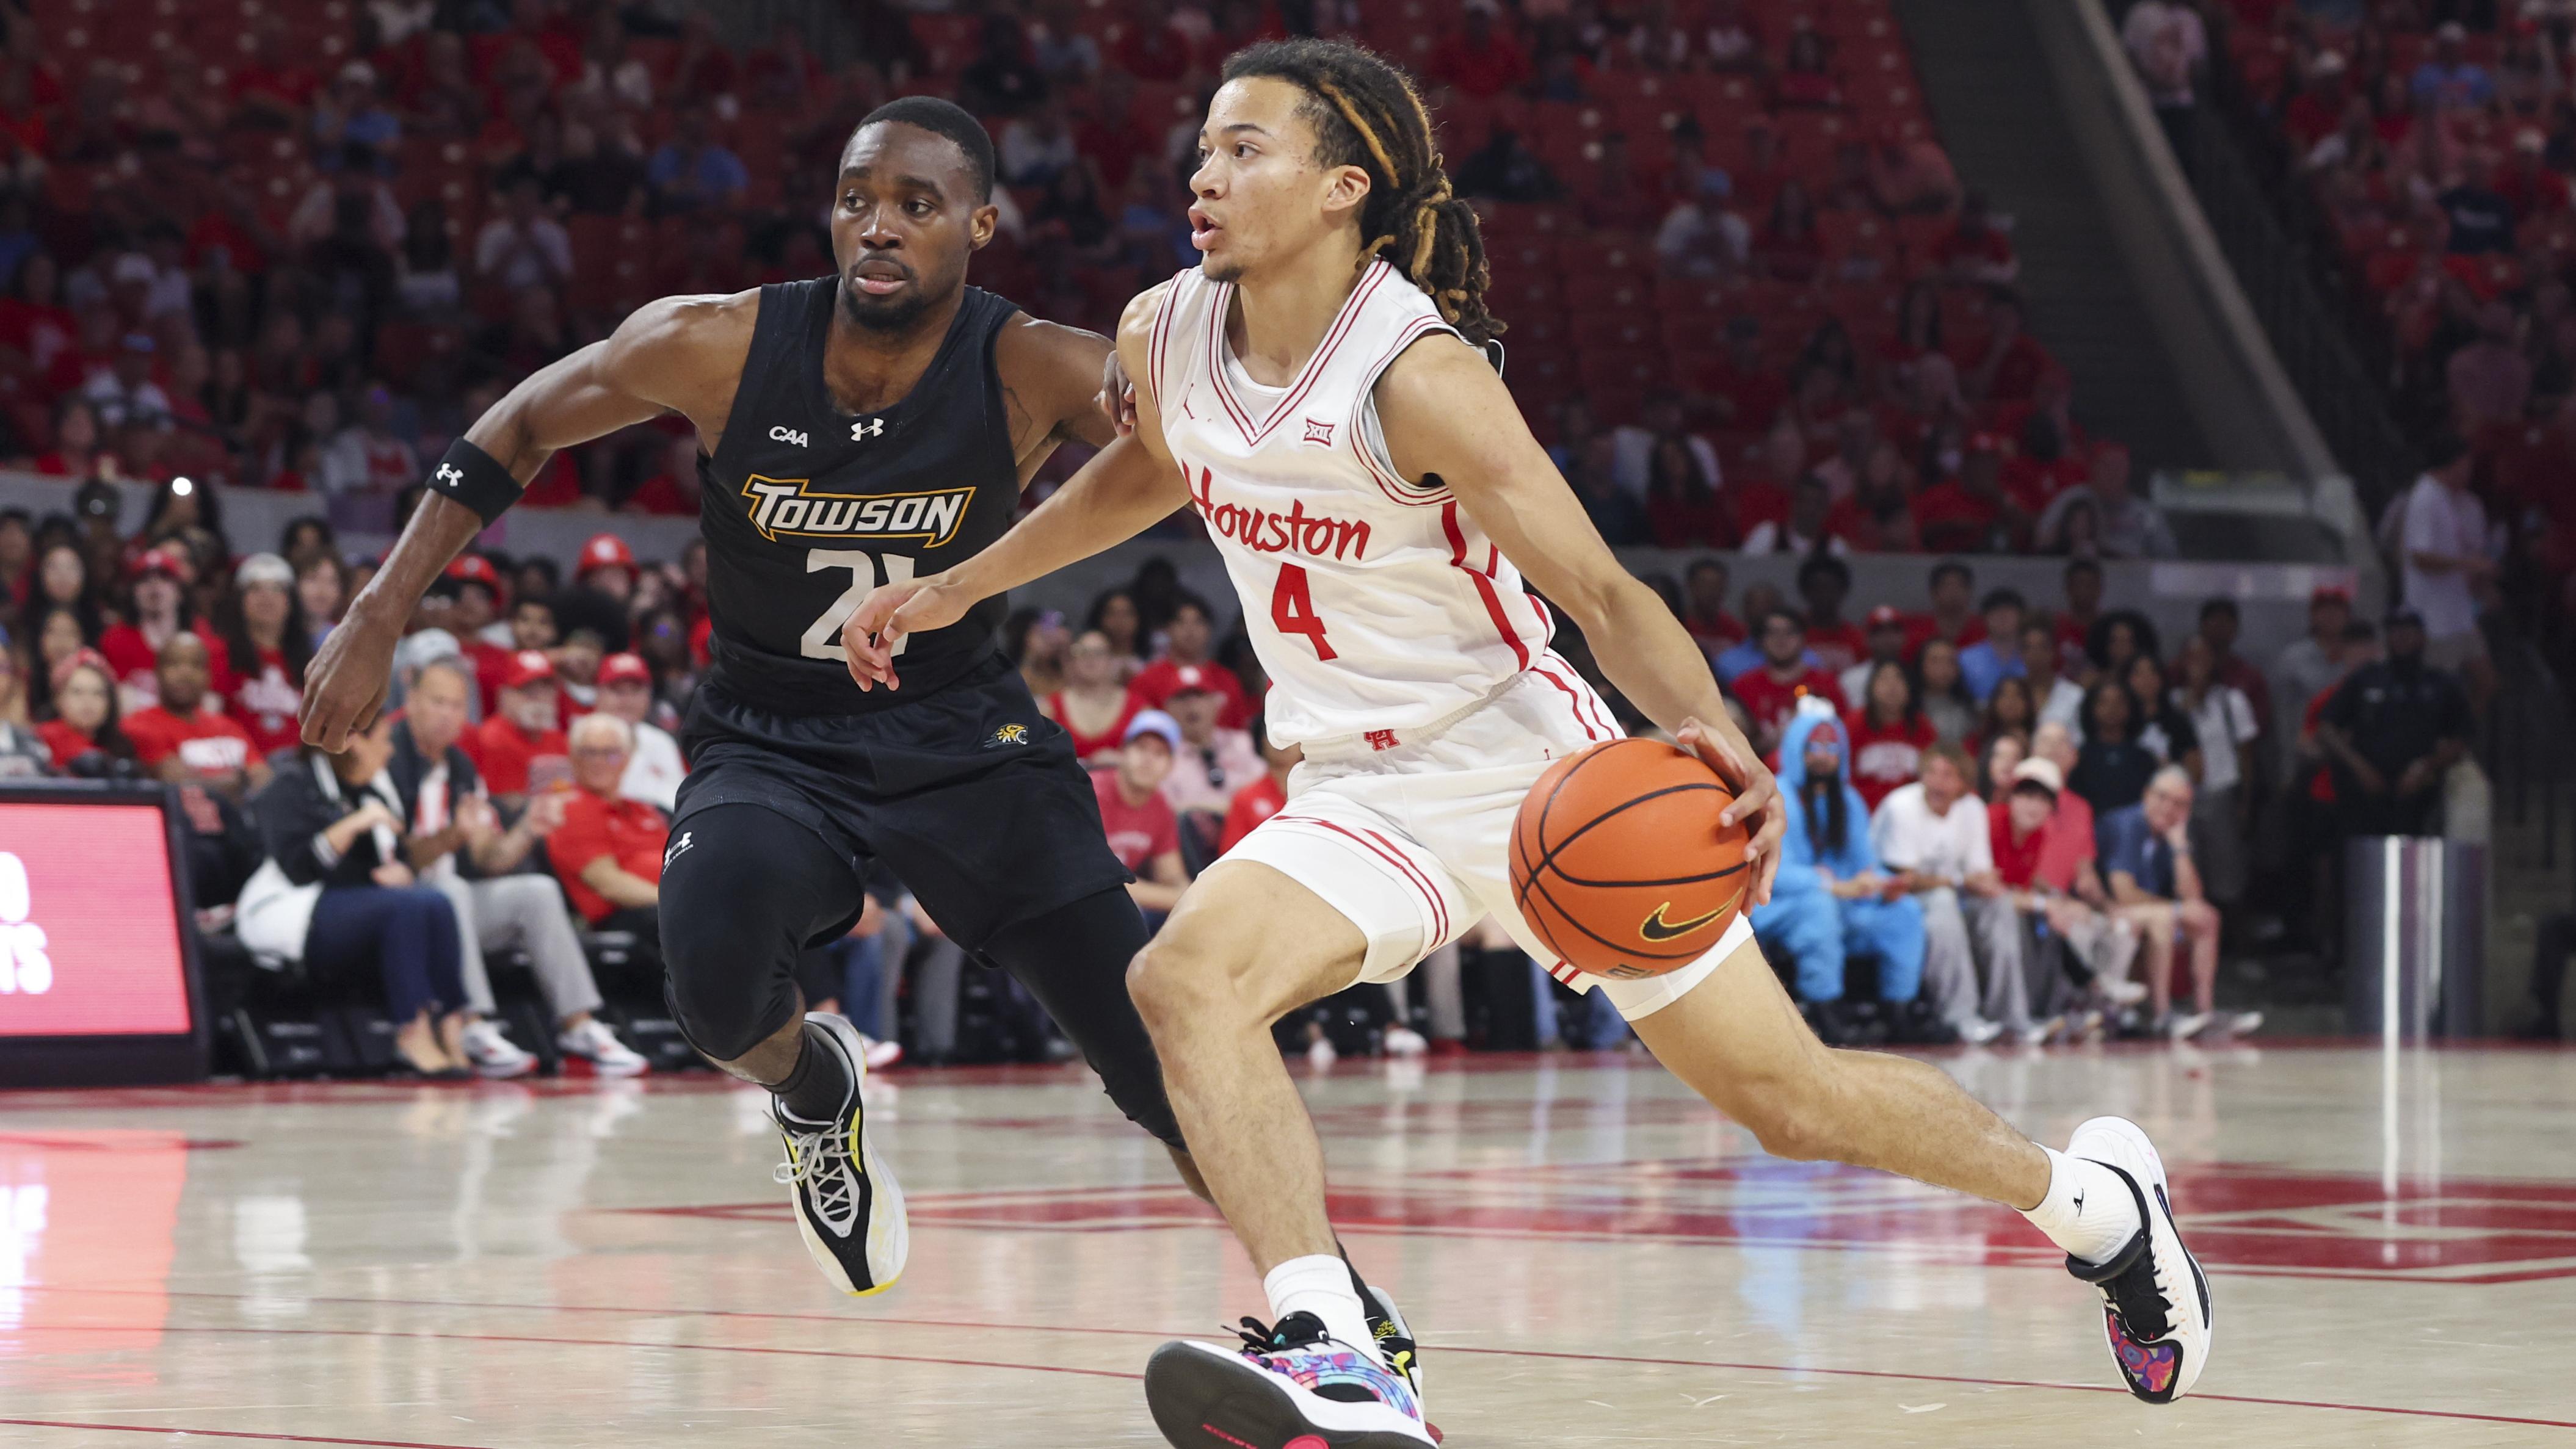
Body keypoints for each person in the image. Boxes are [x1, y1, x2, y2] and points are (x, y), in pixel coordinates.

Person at [844, 40, 2211, 1439]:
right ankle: (1337, 1344)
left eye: (1244, 149)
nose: (1204, 173)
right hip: (1354, 782)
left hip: (1528, 770)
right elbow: (1154, 467)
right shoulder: (1161, 331)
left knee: (1788, 1101)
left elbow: (1600, 594)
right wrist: (957, 586)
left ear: (1341, 187)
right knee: (1184, 981)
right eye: (1203, 147)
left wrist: (1717, 737)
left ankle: (2095, 1207)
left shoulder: (1417, 376)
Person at [300, 96, 1195, 1304]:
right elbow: (520, 424)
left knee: (1153, 1062)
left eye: (916, 204)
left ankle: (1331, 1310)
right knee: (717, 1002)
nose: (878, 226)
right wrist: (379, 610)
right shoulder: (717, 343)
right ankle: (816, 1090)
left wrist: (1189, 385)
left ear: (980, 225)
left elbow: (1194, 443)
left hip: (963, 733)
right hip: (773, 735)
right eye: (856, 199)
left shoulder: (1028, 362)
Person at [392, 657, 645, 1078]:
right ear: (411, 700)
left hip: (452, 912)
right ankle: (472, 1023)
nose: (448, 715)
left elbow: (488, 859)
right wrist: (453, 836)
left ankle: (579, 1026)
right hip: (400, 908)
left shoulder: (460, 767)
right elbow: (395, 860)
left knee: (536, 891)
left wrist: (528, 828)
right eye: (438, 702)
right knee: (450, 889)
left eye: (457, 705)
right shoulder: (389, 756)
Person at [236, 715, 474, 1078]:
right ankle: (412, 1032)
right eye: (384, 740)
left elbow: (385, 863)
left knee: (438, 902)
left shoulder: (371, 791)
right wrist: (355, 824)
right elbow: (299, 869)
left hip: (346, 903)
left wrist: (400, 870)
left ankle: (452, 1029)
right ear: (355, 742)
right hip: (286, 908)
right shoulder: (291, 785)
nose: (391, 751)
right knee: (405, 906)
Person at [1753, 712, 1935, 1046]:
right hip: (1781, 905)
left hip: (1845, 904)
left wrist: (1883, 885)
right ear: (1796, 749)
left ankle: (1898, 1011)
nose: (1824, 756)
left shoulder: (1848, 799)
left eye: (1832, 748)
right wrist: (1830, 886)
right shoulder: (1777, 798)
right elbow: (1773, 871)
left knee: (1905, 912)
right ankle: (1827, 1014)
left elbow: (1866, 865)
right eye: (1815, 747)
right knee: (1819, 906)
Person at [1873, 742, 2033, 1044]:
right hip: (1893, 899)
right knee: (1943, 904)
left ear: (1963, 783)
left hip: (1950, 893)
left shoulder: (1972, 808)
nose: (1937, 782)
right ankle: (1961, 1017)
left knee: (1998, 904)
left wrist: (1984, 884)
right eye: (1931, 773)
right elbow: (1904, 878)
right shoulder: (1901, 806)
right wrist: (1961, 881)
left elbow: (1979, 874)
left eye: (1947, 775)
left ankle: (2012, 1019)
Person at [2100, 766, 2254, 1040]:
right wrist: (2175, 909)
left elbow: (2193, 897)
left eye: (2180, 804)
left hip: (2144, 913)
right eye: (2162, 797)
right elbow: (2123, 893)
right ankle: (2162, 1015)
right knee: (2166, 918)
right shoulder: (2128, 824)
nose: (2169, 808)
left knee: (2207, 917)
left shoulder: (2170, 834)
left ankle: (2205, 1012)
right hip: (2106, 911)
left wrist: (2180, 847)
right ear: (2147, 795)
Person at [2315, 605, 2472, 839]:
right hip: (2364, 793)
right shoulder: (2366, 677)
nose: (2401, 637)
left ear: (2422, 636)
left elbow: (2462, 736)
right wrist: (2359, 766)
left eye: (2408, 631)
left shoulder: (2440, 683)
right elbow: (2327, 727)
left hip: (2418, 794)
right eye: (2395, 631)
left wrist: (2426, 767)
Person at [2393, 436, 2495, 692]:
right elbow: (2420, 557)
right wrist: (2468, 564)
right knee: (2439, 692)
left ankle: (2461, 722)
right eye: (2467, 464)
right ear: (2455, 463)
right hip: (2435, 618)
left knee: (2486, 682)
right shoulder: (2425, 498)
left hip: (2456, 612)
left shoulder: (2443, 498)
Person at [122, 635, 270, 797]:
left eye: (196, 665)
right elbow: (179, 783)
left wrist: (215, 781)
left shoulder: (229, 727)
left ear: (209, 675)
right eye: (174, 664)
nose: (185, 673)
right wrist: (240, 780)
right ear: (157, 672)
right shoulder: (138, 725)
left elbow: (264, 779)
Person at [2171, 634, 2258, 905]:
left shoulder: (2232, 701)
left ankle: (2232, 928)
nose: (2197, 664)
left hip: (2221, 792)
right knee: (2189, 871)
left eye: (2204, 657)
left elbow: (2246, 756)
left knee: (2228, 872)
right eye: (2191, 657)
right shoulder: (2172, 702)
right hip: (2181, 798)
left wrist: (2246, 802)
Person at [1094, 710, 1192, 913]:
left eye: (1159, 753)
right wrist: (1185, 899)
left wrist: (1193, 899)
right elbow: (1095, 878)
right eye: (1141, 748)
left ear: (1171, 766)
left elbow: (1172, 876)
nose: (1148, 760)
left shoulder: (1161, 805)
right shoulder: (1092, 793)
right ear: (1123, 752)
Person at [1161, 667, 1263, 850]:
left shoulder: (1242, 744)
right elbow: (1168, 812)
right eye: (1182, 698)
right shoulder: (1164, 756)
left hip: (1250, 839)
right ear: (1168, 708)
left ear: (1217, 703)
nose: (1192, 706)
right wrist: (1224, 808)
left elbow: (1264, 790)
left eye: (1199, 696)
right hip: (1194, 849)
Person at [1730, 609, 1848, 757]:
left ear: (1803, 638)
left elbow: (1844, 735)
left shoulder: (1826, 684)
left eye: (1790, 632)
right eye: (1772, 632)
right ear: (1761, 640)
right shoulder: (1743, 686)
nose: (1781, 639)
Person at [465, 648, 570, 810]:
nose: (539, 701)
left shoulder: (559, 740)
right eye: (528, 691)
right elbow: (505, 806)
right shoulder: (491, 740)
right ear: (504, 695)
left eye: (546, 691)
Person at [1128, 592, 1252, 726]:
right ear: (1168, 629)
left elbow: (1239, 728)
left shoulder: (1228, 681)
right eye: (1181, 622)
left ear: (1209, 629)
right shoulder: (1146, 680)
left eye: (1198, 622)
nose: (1190, 630)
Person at [594, 650, 686, 810]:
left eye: (635, 691)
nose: (627, 700)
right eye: (618, 691)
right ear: (598, 694)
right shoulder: (581, 741)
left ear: (648, 696)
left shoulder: (662, 742)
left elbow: (681, 801)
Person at [1045, 626, 1142, 765]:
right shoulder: (1049, 708)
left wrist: (1122, 760)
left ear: (1111, 660)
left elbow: (1154, 758)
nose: (1090, 658)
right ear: (1073, 660)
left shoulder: (1138, 708)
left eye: (1099, 653)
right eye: (1082, 652)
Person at [1845, 658, 1931, 811]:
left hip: (1911, 813)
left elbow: (1931, 776)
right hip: (1862, 811)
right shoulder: (1853, 724)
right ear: (1871, 687)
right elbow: (1843, 775)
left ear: (1910, 688)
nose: (1892, 686)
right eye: (1884, 679)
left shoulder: (1923, 727)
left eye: (1899, 678)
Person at [2070, 680, 2160, 816]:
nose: (2112, 709)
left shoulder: (2144, 759)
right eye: (2104, 702)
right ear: (2091, 708)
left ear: (2130, 708)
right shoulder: (2078, 758)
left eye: (2119, 702)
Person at [37, 649, 134, 773]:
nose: (88, 701)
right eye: (77, 692)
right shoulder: (42, 740)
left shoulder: (123, 746)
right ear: (58, 699)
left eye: (98, 693)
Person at [1956, 588, 2026, 703]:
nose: (2003, 618)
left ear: (2022, 617)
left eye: (2009, 612)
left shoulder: (2033, 656)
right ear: (1984, 618)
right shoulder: (1965, 659)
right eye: (1996, 612)